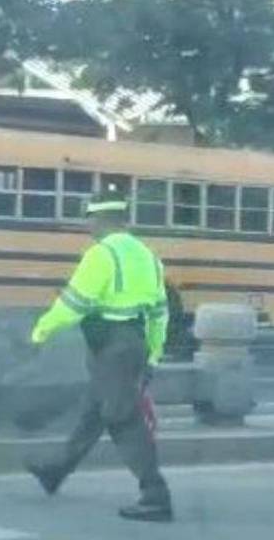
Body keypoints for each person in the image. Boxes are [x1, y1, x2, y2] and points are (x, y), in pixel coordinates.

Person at [25, 183, 174, 522]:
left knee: (122, 417)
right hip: (133, 342)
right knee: (95, 411)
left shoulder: (102, 255)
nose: (86, 226)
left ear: (101, 218)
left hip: (111, 345)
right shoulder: (148, 256)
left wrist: (41, 330)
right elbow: (159, 312)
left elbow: (75, 302)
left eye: (89, 219)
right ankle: (56, 470)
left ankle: (155, 494)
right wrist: (153, 354)